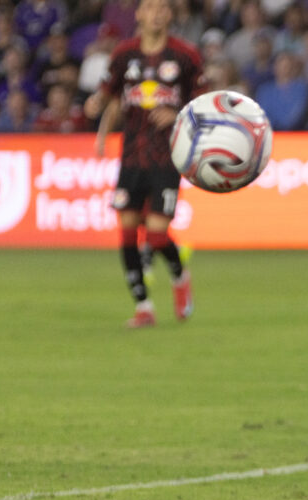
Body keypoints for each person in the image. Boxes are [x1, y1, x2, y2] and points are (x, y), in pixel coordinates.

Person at [83, 0, 203, 328]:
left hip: (167, 156)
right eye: (150, 7)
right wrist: (99, 124)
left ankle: (179, 275)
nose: (157, 13)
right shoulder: (124, 54)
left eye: (163, 7)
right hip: (132, 156)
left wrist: (177, 114)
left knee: (157, 235)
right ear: (138, 14)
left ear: (170, 14)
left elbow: (203, 104)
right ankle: (143, 307)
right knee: (126, 232)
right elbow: (110, 96)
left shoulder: (186, 56)